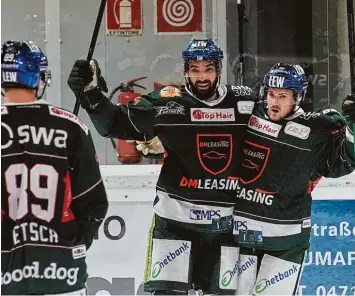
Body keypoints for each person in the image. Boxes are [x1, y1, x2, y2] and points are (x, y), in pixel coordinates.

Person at [67, 39, 255, 295]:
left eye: (208, 69)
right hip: (175, 223)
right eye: (195, 69)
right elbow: (113, 124)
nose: (202, 76)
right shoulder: (167, 101)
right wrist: (91, 92)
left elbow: (281, 132)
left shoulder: (244, 102)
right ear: (186, 70)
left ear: (218, 69)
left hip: (228, 226)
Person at [232, 63, 355, 295]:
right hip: (242, 234)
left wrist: (353, 130)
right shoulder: (248, 115)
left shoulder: (316, 129)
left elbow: (343, 161)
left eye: (282, 96)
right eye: (270, 94)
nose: (274, 102)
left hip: (286, 240)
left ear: (297, 97)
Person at [1, 40, 108, 295]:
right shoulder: (71, 127)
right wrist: (72, 245)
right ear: (39, 78)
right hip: (61, 270)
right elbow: (93, 204)